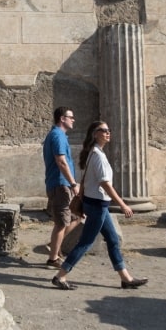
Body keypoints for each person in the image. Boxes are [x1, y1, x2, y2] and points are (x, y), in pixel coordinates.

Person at [51, 120, 149, 290]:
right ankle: (61, 276)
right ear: (95, 134)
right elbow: (105, 184)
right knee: (86, 243)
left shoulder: (96, 153)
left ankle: (126, 278)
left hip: (97, 204)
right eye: (103, 130)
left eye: (108, 129)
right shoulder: (97, 155)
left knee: (112, 240)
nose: (107, 132)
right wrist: (123, 204)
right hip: (97, 205)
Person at [43, 106, 80, 268]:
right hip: (61, 185)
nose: (73, 120)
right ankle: (53, 259)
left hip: (63, 185)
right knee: (61, 223)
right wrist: (73, 183)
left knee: (77, 217)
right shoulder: (57, 135)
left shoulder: (60, 136)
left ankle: (54, 246)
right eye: (70, 117)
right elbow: (61, 161)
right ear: (62, 119)